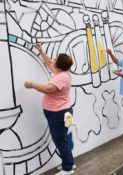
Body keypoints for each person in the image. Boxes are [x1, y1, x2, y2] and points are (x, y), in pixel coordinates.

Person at [24, 43, 75, 175]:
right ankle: (68, 162)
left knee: (60, 141)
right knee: (63, 138)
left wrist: (31, 84)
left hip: (58, 113)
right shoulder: (62, 71)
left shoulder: (62, 77)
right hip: (62, 112)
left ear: (59, 64)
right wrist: (41, 50)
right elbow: (49, 62)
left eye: (56, 58)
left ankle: (68, 168)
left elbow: (48, 89)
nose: (54, 59)